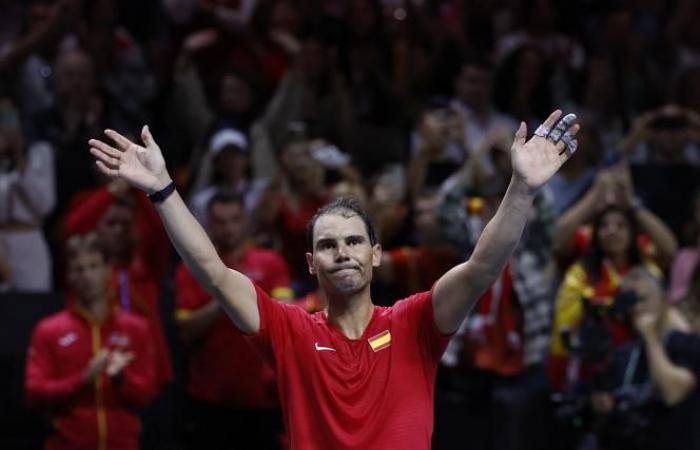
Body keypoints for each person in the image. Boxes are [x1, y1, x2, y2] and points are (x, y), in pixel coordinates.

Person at [88, 109, 580, 449]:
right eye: (327, 245)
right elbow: (215, 274)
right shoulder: (290, 331)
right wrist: (163, 191)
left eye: (353, 242)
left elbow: (482, 267)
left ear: (376, 254)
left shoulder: (415, 324)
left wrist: (521, 189)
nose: (342, 252)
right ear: (310, 263)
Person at [175, 192, 292, 450]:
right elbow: (185, 332)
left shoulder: (271, 263)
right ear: (209, 224)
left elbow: (286, 320)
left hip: (264, 398)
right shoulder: (191, 268)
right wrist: (225, 297)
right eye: (220, 222)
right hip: (209, 398)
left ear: (247, 222)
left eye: (235, 220)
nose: (228, 229)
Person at [25, 233, 159, 450]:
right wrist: (82, 380)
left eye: (93, 266)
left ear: (108, 269)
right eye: (78, 269)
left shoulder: (136, 328)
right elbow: (35, 393)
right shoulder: (48, 330)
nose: (87, 275)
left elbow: (147, 395)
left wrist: (120, 378)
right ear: (68, 275)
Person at [592, 267, 700, 450]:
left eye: (643, 299)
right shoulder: (621, 355)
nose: (637, 307)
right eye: (630, 301)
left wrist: (650, 338)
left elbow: (673, 393)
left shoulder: (688, 345)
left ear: (664, 300)